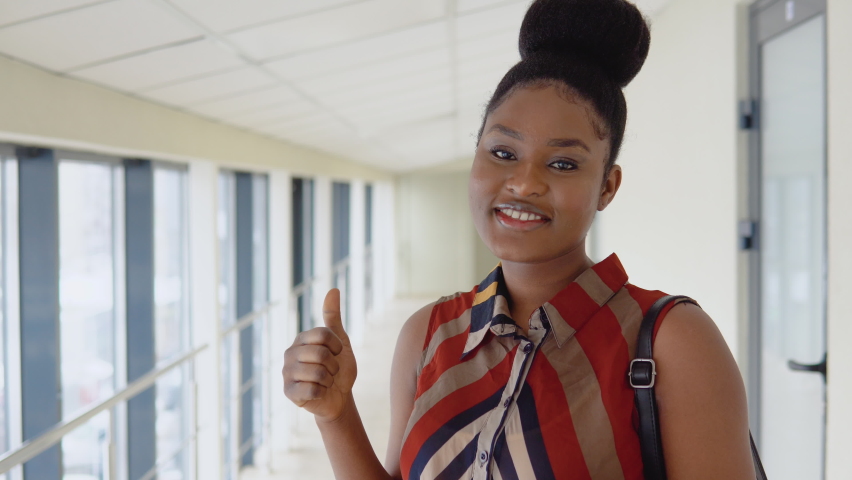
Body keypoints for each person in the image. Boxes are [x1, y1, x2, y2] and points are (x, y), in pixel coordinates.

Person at [282, 0, 756, 478]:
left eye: (563, 163)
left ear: (607, 188)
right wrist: (336, 416)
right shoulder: (428, 335)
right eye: (503, 152)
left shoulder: (671, 342)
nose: (524, 183)